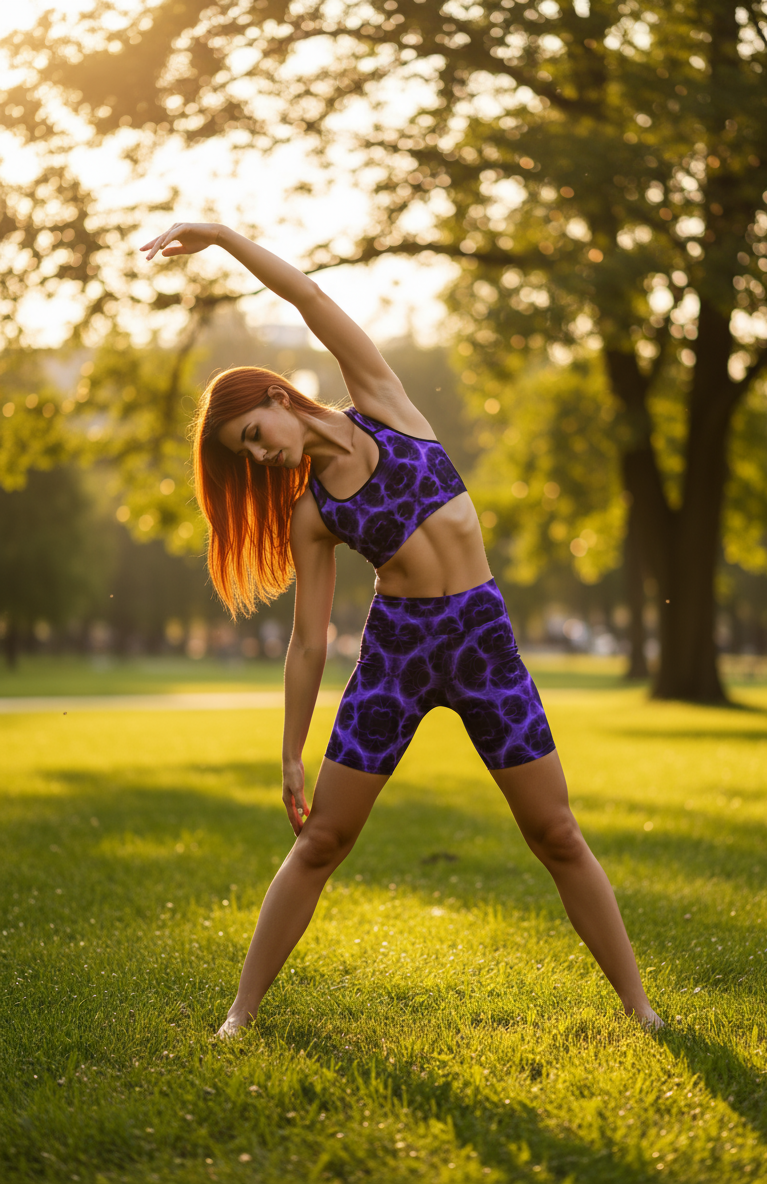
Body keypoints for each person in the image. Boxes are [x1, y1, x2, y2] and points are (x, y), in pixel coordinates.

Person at [140, 223, 663, 1035]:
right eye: (245, 459)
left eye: (253, 437)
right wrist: (289, 753)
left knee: (556, 832)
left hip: (482, 639)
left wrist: (220, 237)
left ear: (277, 398)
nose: (262, 458)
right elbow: (309, 642)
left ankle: (642, 1010)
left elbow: (308, 296)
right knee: (323, 842)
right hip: (399, 656)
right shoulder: (314, 515)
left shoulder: (382, 402)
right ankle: (239, 1017)